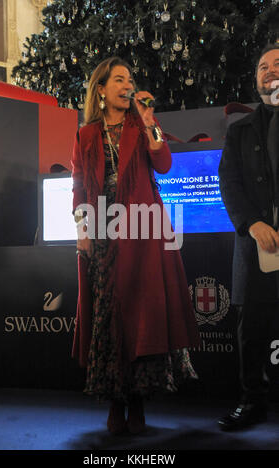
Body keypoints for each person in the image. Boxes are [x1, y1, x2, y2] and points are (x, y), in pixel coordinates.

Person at [71, 56, 199, 435]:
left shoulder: (142, 123)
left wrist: (149, 122)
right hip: (102, 230)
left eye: (130, 79)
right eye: (119, 80)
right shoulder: (86, 134)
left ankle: (139, 401)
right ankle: (115, 401)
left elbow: (163, 165)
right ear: (101, 89)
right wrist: (82, 229)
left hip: (142, 231)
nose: (128, 86)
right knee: (109, 317)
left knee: (142, 315)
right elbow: (79, 183)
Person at [218, 44, 279, 431]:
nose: (269, 71)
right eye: (262, 67)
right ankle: (251, 400)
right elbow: (230, 183)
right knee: (251, 326)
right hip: (256, 243)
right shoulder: (239, 130)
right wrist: (252, 223)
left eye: (278, 64)